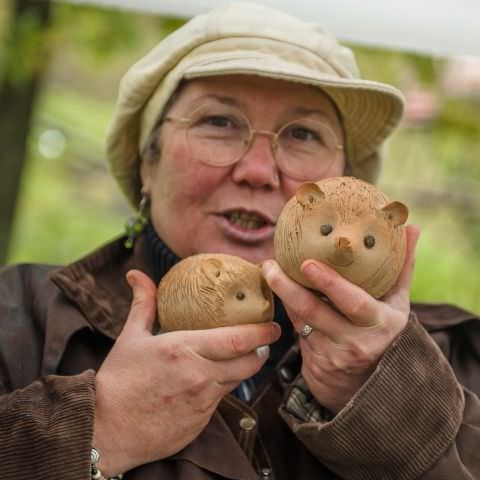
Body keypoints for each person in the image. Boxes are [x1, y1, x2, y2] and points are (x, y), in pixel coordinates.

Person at [0, 2, 479, 479]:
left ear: (346, 180)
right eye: (219, 122)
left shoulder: (454, 354)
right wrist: (101, 426)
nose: (257, 171)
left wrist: (396, 414)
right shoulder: (21, 318)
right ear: (147, 161)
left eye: (303, 134)